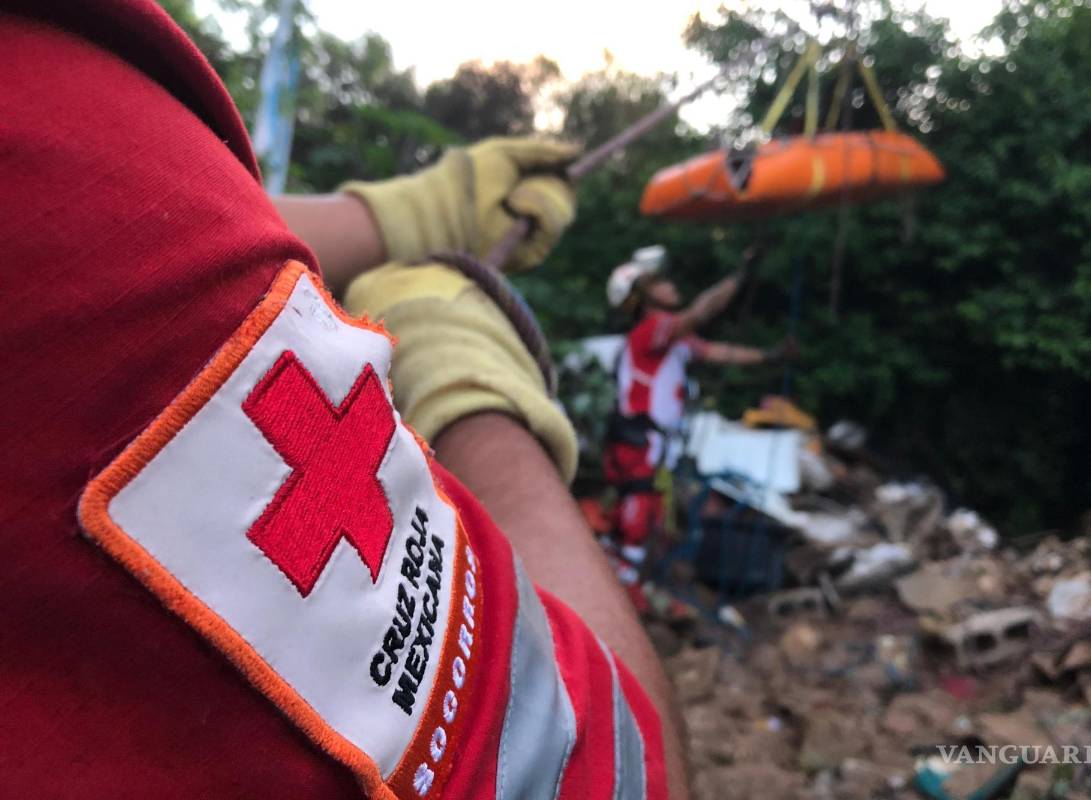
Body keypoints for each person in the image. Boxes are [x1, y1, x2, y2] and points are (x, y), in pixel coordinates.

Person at [0, 2, 685, 797]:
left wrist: (404, 216)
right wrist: (468, 379)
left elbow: (160, 235)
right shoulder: (54, 127)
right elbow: (604, 762)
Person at [603, 245, 793, 581]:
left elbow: (717, 351)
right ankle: (623, 587)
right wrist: (738, 278)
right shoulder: (651, 331)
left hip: (654, 442)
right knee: (639, 506)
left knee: (652, 512)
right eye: (660, 282)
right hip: (639, 438)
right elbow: (701, 312)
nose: (671, 286)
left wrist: (768, 356)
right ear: (643, 298)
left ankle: (631, 583)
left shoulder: (673, 340)